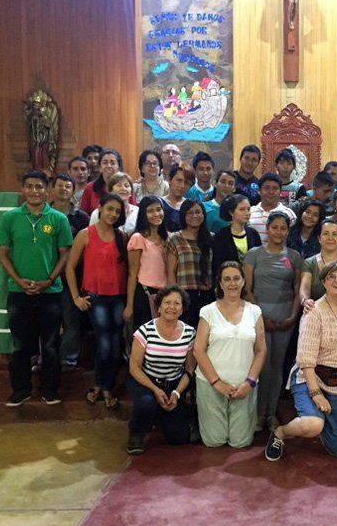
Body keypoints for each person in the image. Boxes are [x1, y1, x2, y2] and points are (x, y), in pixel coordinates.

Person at [265, 262, 337, 461]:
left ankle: (326, 419)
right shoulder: (314, 312)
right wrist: (316, 394)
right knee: (313, 425)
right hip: (312, 376)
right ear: (323, 282)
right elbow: (305, 360)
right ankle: (280, 433)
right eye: (331, 277)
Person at [0, 171, 73, 406]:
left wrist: (49, 280)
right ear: (23, 189)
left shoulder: (58, 219)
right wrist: (19, 281)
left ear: (46, 190)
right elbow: (2, 253)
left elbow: (65, 253)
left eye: (39, 187)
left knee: (50, 345)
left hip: (50, 292)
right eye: (29, 186)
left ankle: (50, 389)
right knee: (20, 345)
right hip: (19, 292)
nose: (34, 191)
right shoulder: (10, 218)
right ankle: (21, 389)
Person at [66, 193, 129, 410]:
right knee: (104, 344)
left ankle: (105, 386)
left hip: (118, 297)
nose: (113, 214)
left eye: (117, 211)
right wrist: (75, 297)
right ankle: (100, 385)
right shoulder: (85, 235)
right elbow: (70, 267)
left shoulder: (122, 237)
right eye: (110, 209)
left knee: (115, 345)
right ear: (100, 208)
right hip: (96, 298)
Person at [193, 262, 266, 448]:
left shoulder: (254, 311)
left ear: (243, 282)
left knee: (240, 442)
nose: (232, 283)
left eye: (236, 278)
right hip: (211, 383)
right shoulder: (208, 311)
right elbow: (198, 350)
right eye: (227, 279)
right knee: (214, 441)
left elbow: (261, 350)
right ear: (220, 284)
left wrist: (249, 383)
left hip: (243, 385)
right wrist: (217, 383)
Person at [243, 212, 303, 432]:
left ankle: (271, 412)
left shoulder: (294, 256)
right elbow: (246, 289)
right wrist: (261, 317)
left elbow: (298, 290)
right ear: (267, 229)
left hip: (285, 315)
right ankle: (258, 414)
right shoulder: (254, 254)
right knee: (262, 365)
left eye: (283, 228)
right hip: (259, 316)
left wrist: (292, 316)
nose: (279, 232)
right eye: (275, 227)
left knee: (277, 366)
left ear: (288, 231)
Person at [127, 285, 197, 455]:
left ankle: (160, 416)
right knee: (146, 403)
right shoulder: (145, 331)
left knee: (179, 439)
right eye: (167, 303)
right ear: (158, 307)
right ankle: (136, 432)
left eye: (176, 303)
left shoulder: (189, 333)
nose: (171, 307)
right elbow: (134, 367)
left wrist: (177, 393)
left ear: (182, 309)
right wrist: (155, 390)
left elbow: (189, 369)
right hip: (146, 380)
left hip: (173, 383)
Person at [49, 173, 90, 371]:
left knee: (71, 321)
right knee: (46, 322)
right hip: (46, 279)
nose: (64, 189)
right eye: (60, 185)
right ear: (52, 188)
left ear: (73, 191)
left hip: (73, 278)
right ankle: (44, 358)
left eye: (68, 186)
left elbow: (87, 249)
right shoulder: (42, 214)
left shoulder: (82, 218)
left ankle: (68, 360)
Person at [166, 199, 214, 327]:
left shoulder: (211, 238)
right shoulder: (175, 238)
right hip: (185, 295)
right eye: (190, 213)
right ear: (183, 216)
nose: (195, 216)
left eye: (198, 212)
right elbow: (171, 271)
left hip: (207, 295)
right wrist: (173, 297)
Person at [125, 196, 168, 332]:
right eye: (150, 211)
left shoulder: (168, 238)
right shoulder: (138, 238)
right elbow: (132, 274)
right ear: (143, 214)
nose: (156, 214)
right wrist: (129, 305)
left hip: (165, 295)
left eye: (158, 209)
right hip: (144, 294)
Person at [211, 194, 262, 277]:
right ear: (231, 212)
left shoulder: (253, 234)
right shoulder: (221, 235)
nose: (247, 213)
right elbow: (217, 265)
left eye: (248, 209)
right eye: (242, 209)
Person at [248, 172, 296, 245]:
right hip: (254, 256)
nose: (270, 192)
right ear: (259, 191)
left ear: (280, 192)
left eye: (275, 188)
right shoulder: (249, 212)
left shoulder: (289, 214)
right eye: (266, 188)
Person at [79, 149, 122, 215]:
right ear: (100, 167)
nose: (109, 166)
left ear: (119, 167)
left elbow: (133, 212)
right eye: (105, 163)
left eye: (112, 163)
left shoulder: (126, 187)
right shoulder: (90, 188)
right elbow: (83, 215)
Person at [161, 162, 196, 232]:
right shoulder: (159, 204)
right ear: (169, 180)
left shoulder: (191, 206)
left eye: (186, 182)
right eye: (179, 180)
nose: (182, 186)